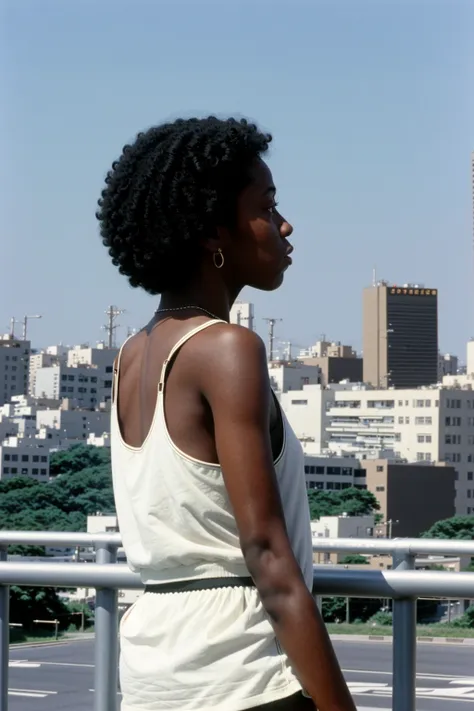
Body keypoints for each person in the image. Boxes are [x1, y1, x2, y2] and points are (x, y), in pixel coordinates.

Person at [97, 116, 356, 711]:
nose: (285, 226)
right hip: (242, 674)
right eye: (266, 207)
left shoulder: (135, 354)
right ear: (215, 230)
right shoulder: (226, 349)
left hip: (154, 674)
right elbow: (266, 554)